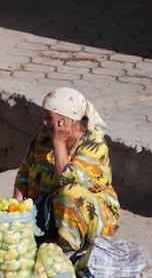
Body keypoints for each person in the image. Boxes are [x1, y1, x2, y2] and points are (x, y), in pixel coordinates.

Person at [14, 87, 120, 254]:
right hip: (48, 209)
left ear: (68, 120)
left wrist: (58, 142)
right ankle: (49, 238)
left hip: (88, 215)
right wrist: (16, 210)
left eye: (49, 118)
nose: (44, 123)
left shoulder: (94, 144)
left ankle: (67, 253)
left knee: (70, 194)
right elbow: (24, 173)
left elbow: (67, 182)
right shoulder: (43, 136)